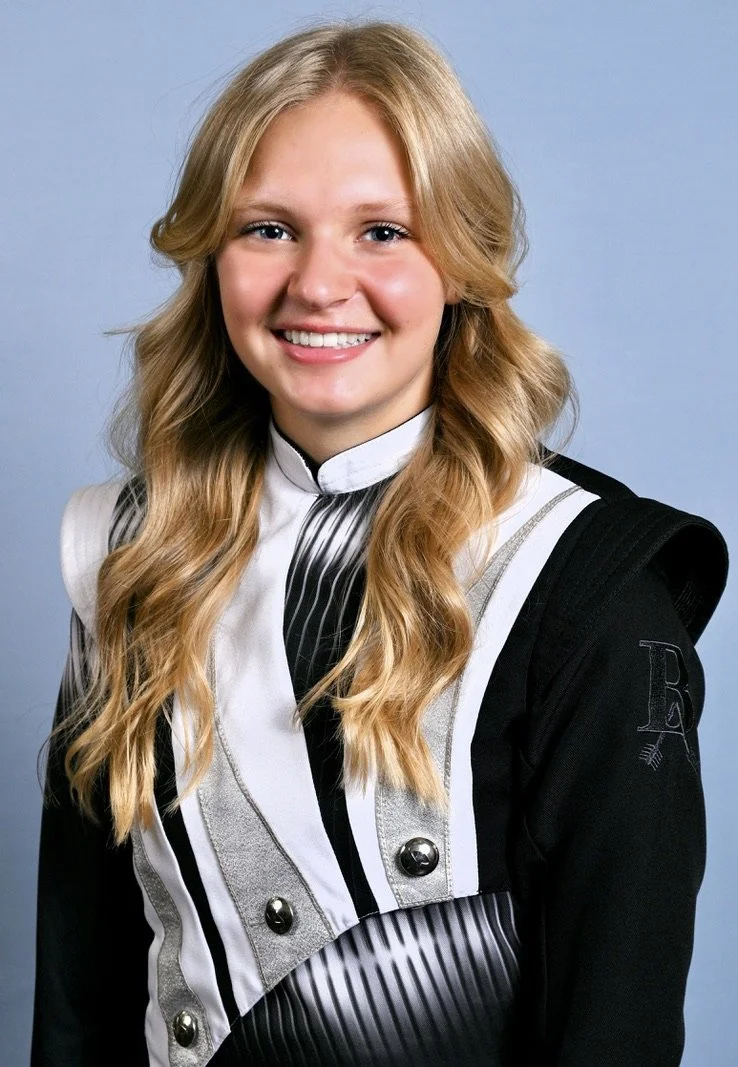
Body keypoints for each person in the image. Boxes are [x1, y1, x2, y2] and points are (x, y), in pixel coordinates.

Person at [31, 18, 727, 1067]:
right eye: (269, 228)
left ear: (463, 263)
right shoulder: (127, 554)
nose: (318, 284)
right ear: (212, 257)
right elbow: (79, 998)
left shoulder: (587, 579)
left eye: (383, 231)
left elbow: (617, 1023)